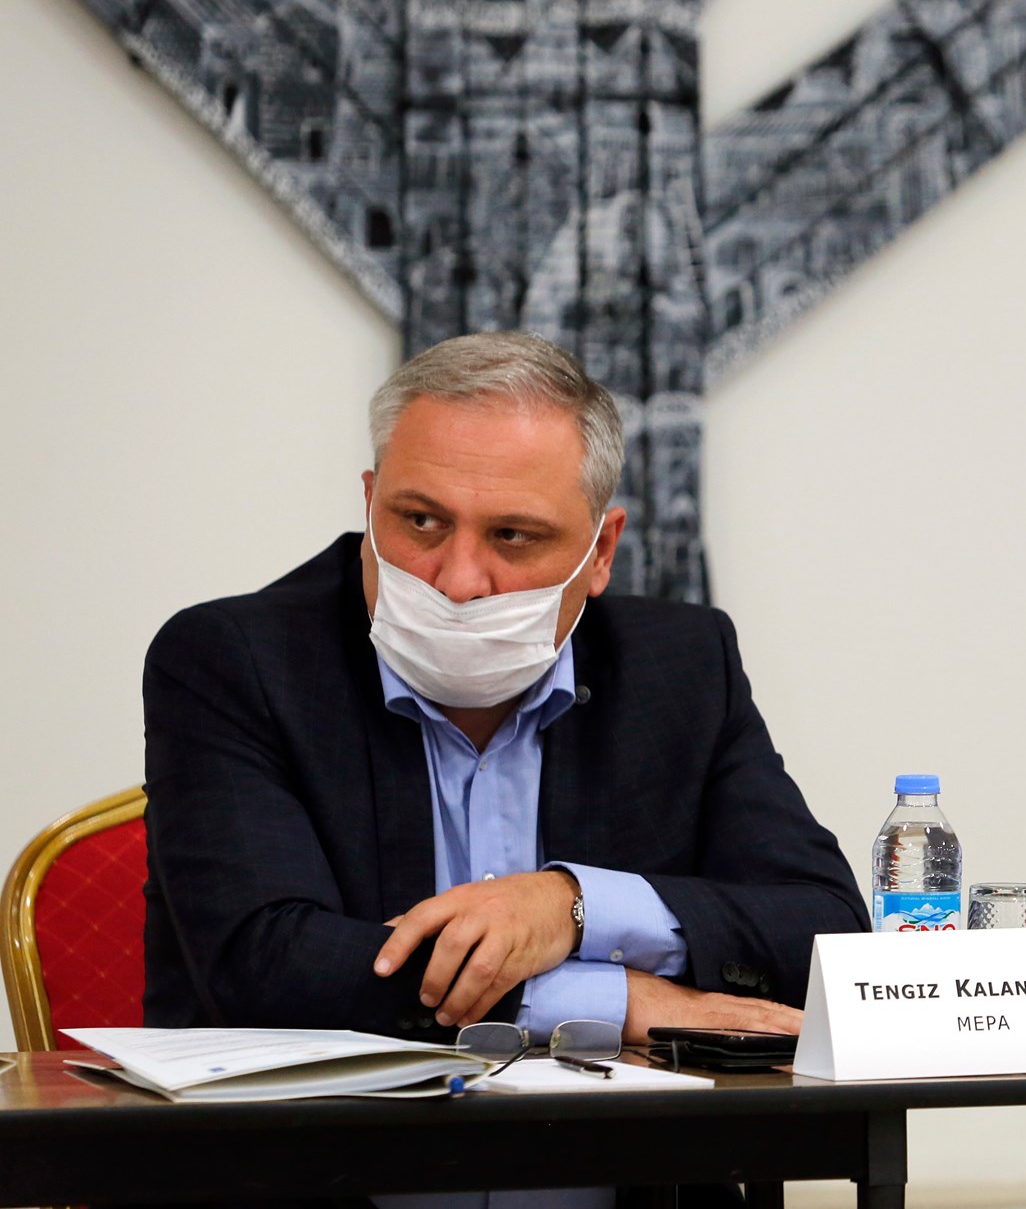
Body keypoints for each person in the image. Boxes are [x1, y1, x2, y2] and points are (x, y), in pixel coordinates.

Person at [141, 330, 868, 1065]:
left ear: (601, 551)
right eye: (420, 521)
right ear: (369, 502)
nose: (458, 580)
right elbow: (262, 963)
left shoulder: (681, 667)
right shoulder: (235, 660)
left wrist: (570, 907)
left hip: (623, 1141)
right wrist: (616, 1000)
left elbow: (825, 931)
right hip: (323, 1139)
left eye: (513, 535)